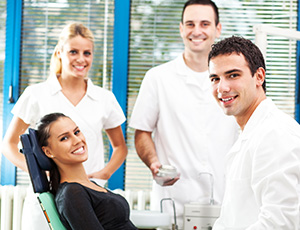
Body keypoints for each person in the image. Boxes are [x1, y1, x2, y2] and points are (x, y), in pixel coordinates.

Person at [1, 23, 127, 229]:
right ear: (59, 53)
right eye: (73, 52)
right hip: (47, 200)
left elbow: (120, 147)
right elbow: (8, 144)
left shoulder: (104, 98)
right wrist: (39, 175)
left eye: (87, 53)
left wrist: (104, 173)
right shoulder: (36, 94)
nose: (81, 59)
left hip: (90, 197)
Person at [129, 0, 239, 228]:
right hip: (173, 203)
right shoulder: (158, 78)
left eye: (205, 24)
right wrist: (154, 164)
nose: (196, 31)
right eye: (190, 24)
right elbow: (141, 133)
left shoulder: (233, 82)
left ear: (217, 29)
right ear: (181, 28)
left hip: (225, 200)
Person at [208, 35, 300, 229]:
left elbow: (279, 223)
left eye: (233, 75)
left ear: (259, 76)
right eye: (215, 78)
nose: (222, 88)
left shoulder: (275, 134)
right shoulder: (251, 133)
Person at [35, 112, 137, 230]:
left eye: (76, 132)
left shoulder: (87, 185)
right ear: (48, 152)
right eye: (64, 138)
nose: (77, 140)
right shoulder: (72, 193)